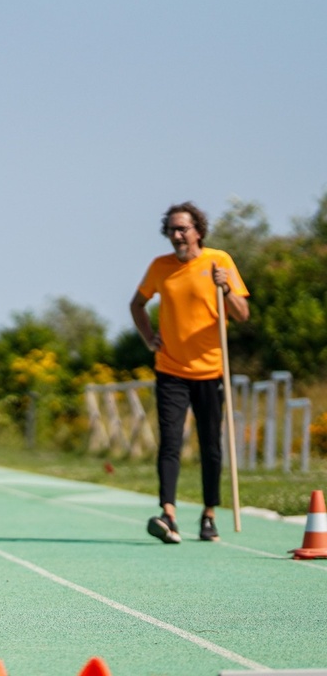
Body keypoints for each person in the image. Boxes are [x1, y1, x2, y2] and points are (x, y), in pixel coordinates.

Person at [131, 201, 249, 544]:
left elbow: (242, 314)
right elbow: (137, 304)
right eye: (171, 230)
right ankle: (168, 514)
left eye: (183, 228)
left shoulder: (219, 261)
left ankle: (209, 514)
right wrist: (149, 337)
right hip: (170, 369)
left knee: (210, 445)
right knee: (170, 442)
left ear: (198, 230)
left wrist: (226, 288)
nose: (177, 235)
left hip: (211, 370)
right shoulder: (160, 266)